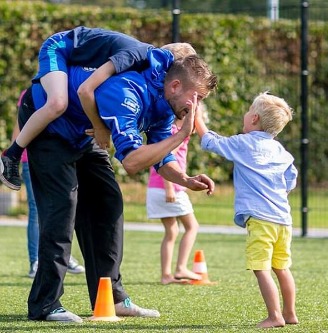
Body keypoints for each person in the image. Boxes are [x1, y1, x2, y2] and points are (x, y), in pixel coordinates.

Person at [18, 44, 217, 322]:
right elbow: (133, 162)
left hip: (85, 136)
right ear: (174, 85)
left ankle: (111, 297)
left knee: (108, 205)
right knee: (63, 208)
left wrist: (185, 179)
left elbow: (162, 155)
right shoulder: (127, 91)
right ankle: (45, 304)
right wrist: (180, 135)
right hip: (51, 129)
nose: (196, 107)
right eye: (195, 98)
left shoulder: (166, 104)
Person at [0, 26, 196, 191]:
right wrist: (99, 126)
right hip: (59, 47)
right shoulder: (136, 56)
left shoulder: (148, 76)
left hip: (76, 60)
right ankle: (12, 154)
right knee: (57, 103)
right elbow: (86, 90)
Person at [193, 92, 299, 328]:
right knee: (282, 267)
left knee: (261, 268)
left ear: (254, 120)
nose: (246, 114)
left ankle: (275, 316)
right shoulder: (280, 151)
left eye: (249, 110)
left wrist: (197, 117)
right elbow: (291, 177)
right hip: (283, 219)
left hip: (261, 220)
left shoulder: (244, 143)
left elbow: (211, 142)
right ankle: (290, 313)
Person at [13, 90, 85, 278]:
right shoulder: (30, 94)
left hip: (60, 156)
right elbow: (19, 127)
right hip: (32, 159)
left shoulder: (67, 90)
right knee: (36, 210)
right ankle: (36, 261)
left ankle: (63, 256)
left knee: (66, 206)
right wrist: (14, 158)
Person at [146, 116, 202, 285]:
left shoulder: (165, 131)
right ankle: (181, 268)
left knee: (172, 232)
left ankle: (166, 275)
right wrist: (169, 187)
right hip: (168, 188)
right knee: (192, 226)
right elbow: (167, 158)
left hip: (154, 187)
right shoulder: (176, 134)